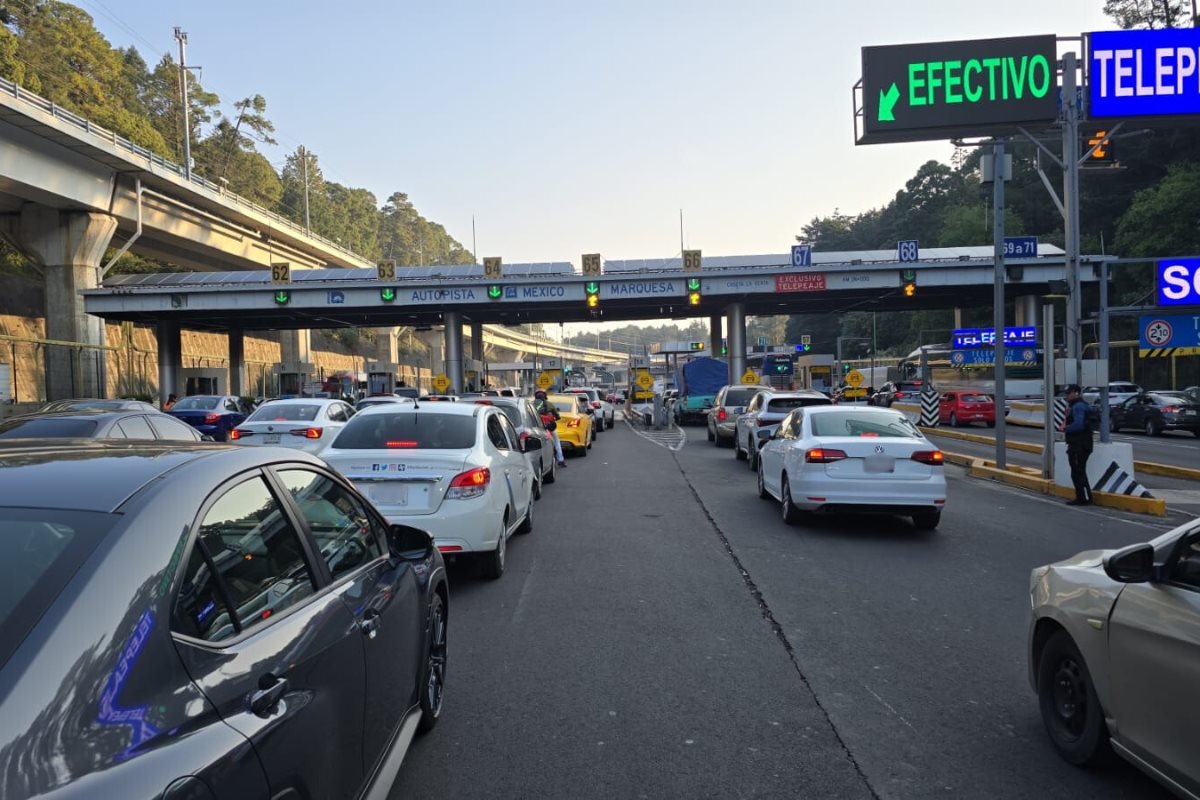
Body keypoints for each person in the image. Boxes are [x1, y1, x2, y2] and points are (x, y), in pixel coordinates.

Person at [1061, 384, 1094, 506]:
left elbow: (1079, 424)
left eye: (1069, 393)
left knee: (1077, 472)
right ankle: (1085, 497)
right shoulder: (1082, 405)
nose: (1067, 396)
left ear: (1076, 393)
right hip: (1082, 444)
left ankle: (1083, 498)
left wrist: (1066, 428)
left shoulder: (1078, 407)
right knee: (1079, 471)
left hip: (1078, 445)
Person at [533, 389, 566, 467]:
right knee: (557, 442)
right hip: (550, 427)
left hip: (538, 428)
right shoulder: (549, 404)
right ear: (545, 395)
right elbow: (557, 416)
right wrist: (555, 418)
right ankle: (561, 460)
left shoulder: (532, 405)